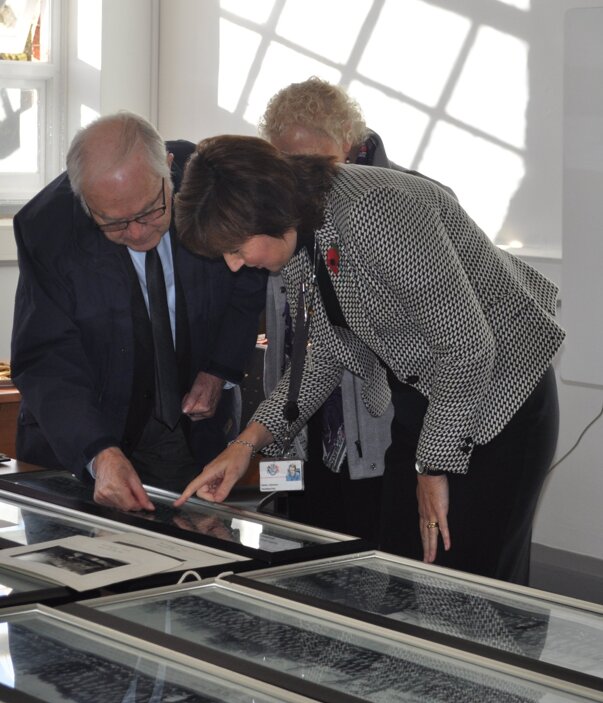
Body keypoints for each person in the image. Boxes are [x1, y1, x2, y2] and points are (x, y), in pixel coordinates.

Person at [174, 134, 565, 585]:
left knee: (469, 584)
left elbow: (467, 348)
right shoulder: (303, 233)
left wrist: (432, 467)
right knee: (403, 569)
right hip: (427, 397)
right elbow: (324, 354)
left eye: (236, 248)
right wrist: (245, 445)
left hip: (501, 397)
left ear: (267, 211)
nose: (234, 264)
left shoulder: (373, 210)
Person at [10, 112, 266, 513]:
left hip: (183, 430)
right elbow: (46, 356)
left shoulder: (211, 184)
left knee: (190, 546)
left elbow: (248, 281)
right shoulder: (47, 228)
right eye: (114, 223)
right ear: (84, 200)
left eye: (149, 211)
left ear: (168, 168)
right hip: (82, 433)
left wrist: (219, 369)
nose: (136, 232)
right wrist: (98, 452)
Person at [256, 77, 453, 541]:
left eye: (313, 161)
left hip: (377, 422)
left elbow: (445, 339)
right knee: (302, 543)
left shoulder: (403, 199)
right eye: (287, 162)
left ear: (347, 139)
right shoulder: (281, 205)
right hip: (298, 417)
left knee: (372, 543)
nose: (301, 176)